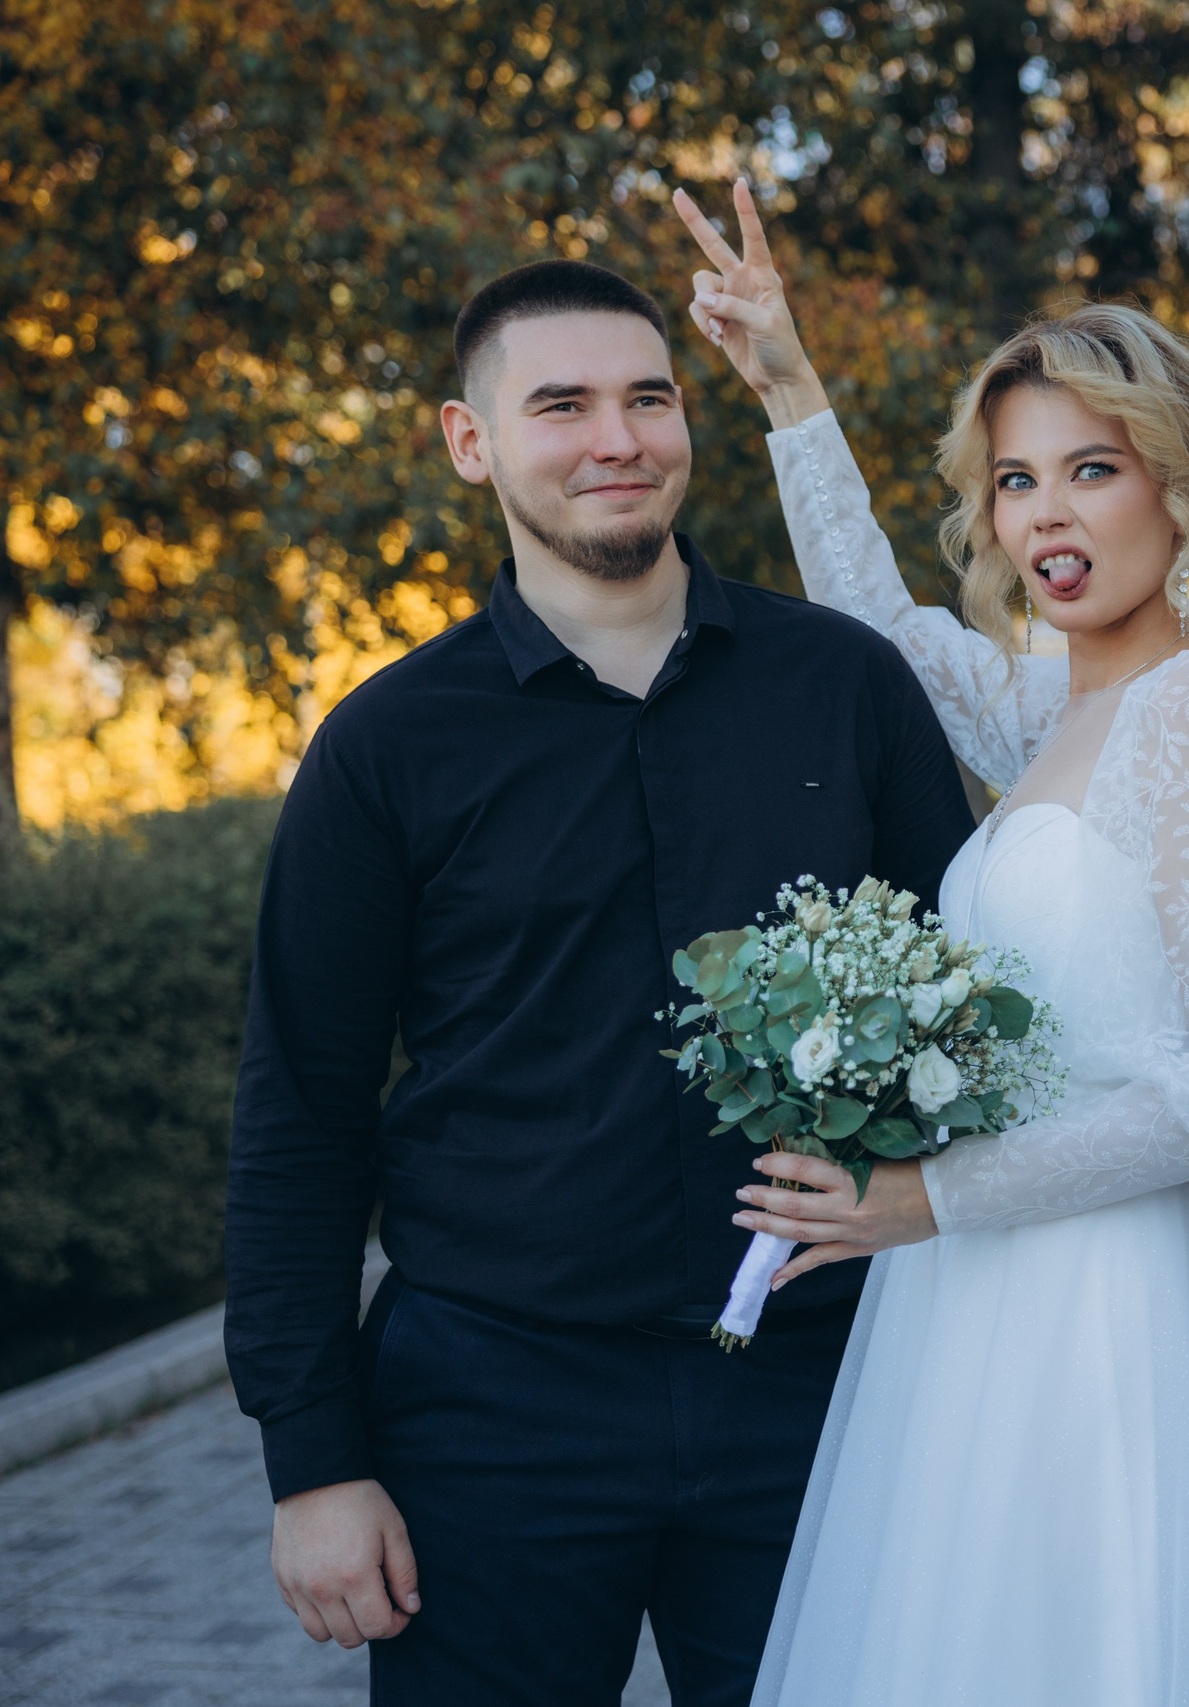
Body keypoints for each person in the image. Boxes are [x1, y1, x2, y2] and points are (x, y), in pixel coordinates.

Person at [225, 257, 976, 1703]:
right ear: (471, 441)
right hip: (489, 1412)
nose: (617, 439)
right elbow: (301, 1111)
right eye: (561, 405)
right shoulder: (387, 745)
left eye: (649, 398)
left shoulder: (844, 687)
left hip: (818, 1393)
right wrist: (312, 1461)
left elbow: (964, 1004)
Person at [668, 180, 1189, 1707]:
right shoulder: (1058, 711)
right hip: (967, 1309)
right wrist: (789, 390)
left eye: (1092, 469)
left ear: (1185, 487)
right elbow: (879, 632)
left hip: (1109, 1313)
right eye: (1016, 479)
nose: (1045, 514)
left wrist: (926, 1198)